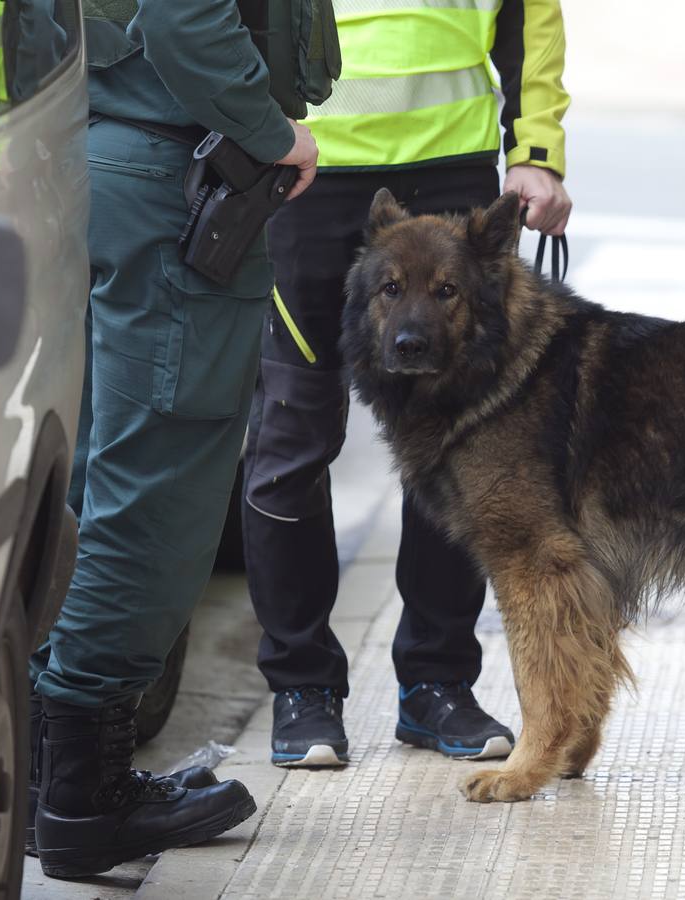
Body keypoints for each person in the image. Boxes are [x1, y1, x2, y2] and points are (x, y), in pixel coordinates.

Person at [26, 0, 323, 879]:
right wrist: (273, 133)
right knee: (156, 488)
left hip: (100, 157)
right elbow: (187, 18)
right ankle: (87, 790)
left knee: (96, 477)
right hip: (171, 175)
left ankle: (57, 777)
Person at [242, 0, 573, 768]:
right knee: (291, 438)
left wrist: (537, 147)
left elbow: (534, 15)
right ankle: (302, 689)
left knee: (462, 450)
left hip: (451, 176)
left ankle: (437, 685)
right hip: (300, 169)